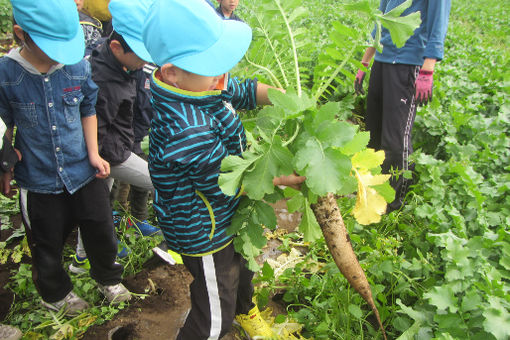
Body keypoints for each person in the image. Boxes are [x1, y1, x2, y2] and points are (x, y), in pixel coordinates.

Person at [142, 0, 305, 339]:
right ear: (171, 71)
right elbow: (226, 182)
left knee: (242, 268)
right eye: (211, 65)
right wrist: (284, 181)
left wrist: (285, 97)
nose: (223, 75)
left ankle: (246, 314)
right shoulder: (186, 130)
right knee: (216, 307)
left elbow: (243, 90)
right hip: (204, 232)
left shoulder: (201, 83)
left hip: (223, 215)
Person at [0, 0, 131, 315]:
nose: (59, 55)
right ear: (21, 34)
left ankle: (106, 278)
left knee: (101, 229)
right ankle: (56, 294)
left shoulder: (76, 65)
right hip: (38, 177)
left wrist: (93, 153)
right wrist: (5, 161)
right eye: (50, 46)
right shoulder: (7, 73)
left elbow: (87, 108)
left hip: (82, 169)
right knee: (46, 243)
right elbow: (3, 121)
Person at [69, 0, 161, 274]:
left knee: (97, 205)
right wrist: (103, 158)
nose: (144, 62)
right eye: (140, 56)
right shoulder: (102, 79)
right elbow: (96, 127)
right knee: (159, 180)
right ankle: (179, 237)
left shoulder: (123, 66)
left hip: (114, 149)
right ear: (116, 47)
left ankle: (82, 259)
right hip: (107, 154)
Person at [354, 0, 451, 212]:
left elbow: (438, 22)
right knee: (373, 132)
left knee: (395, 138)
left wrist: (428, 68)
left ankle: (394, 202)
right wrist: (365, 61)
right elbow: (380, 19)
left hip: (408, 61)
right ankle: (374, 191)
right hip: (382, 59)